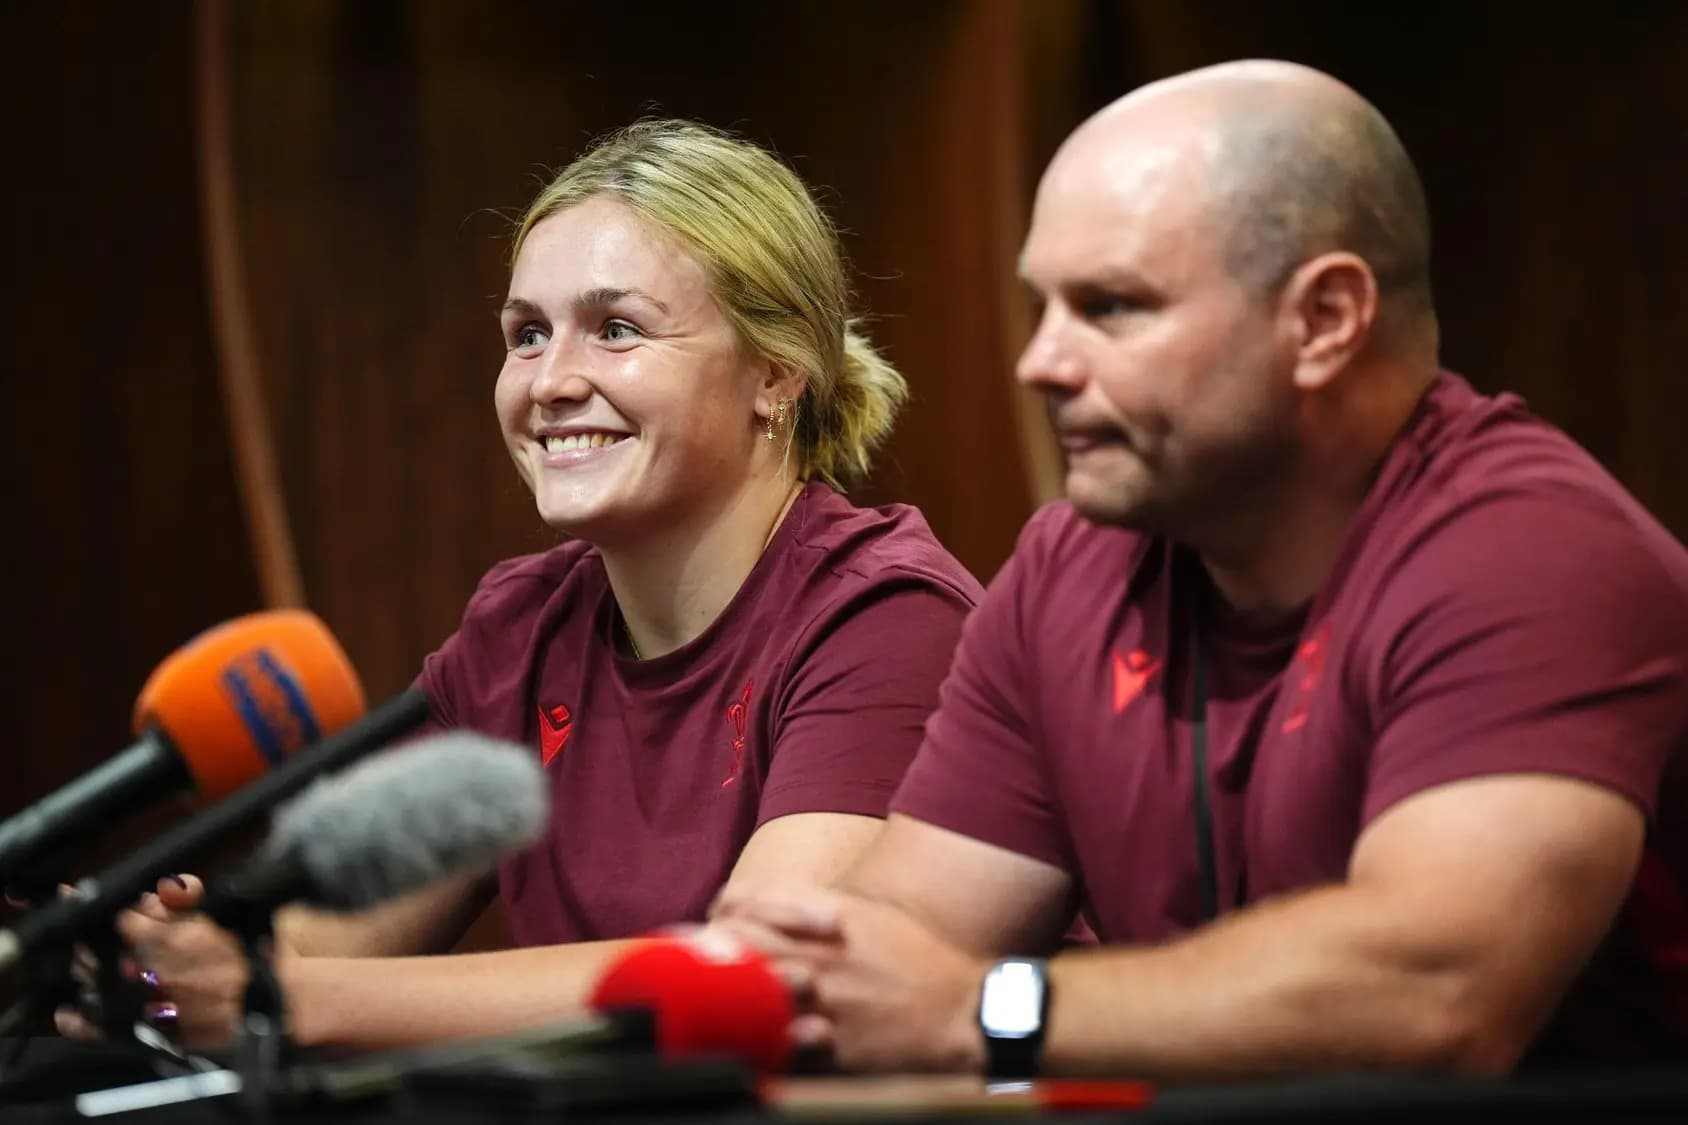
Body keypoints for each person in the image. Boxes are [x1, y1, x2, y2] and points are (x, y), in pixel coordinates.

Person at [715, 60, 1688, 1077]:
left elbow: (1435, 996)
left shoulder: (1527, 555)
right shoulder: (1066, 571)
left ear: (1323, 320)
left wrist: (985, 1011)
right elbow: (899, 949)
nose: (1039, 360)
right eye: (1041, 305)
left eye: (1111, 306)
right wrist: (820, 978)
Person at [59, 119, 983, 1052]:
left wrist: (274, 999)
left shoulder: (887, 615)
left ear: (777, 372)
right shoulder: (520, 626)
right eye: (527, 334)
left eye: (615, 330)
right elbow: (324, 945)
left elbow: (761, 982)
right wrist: (160, 961)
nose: (549, 383)